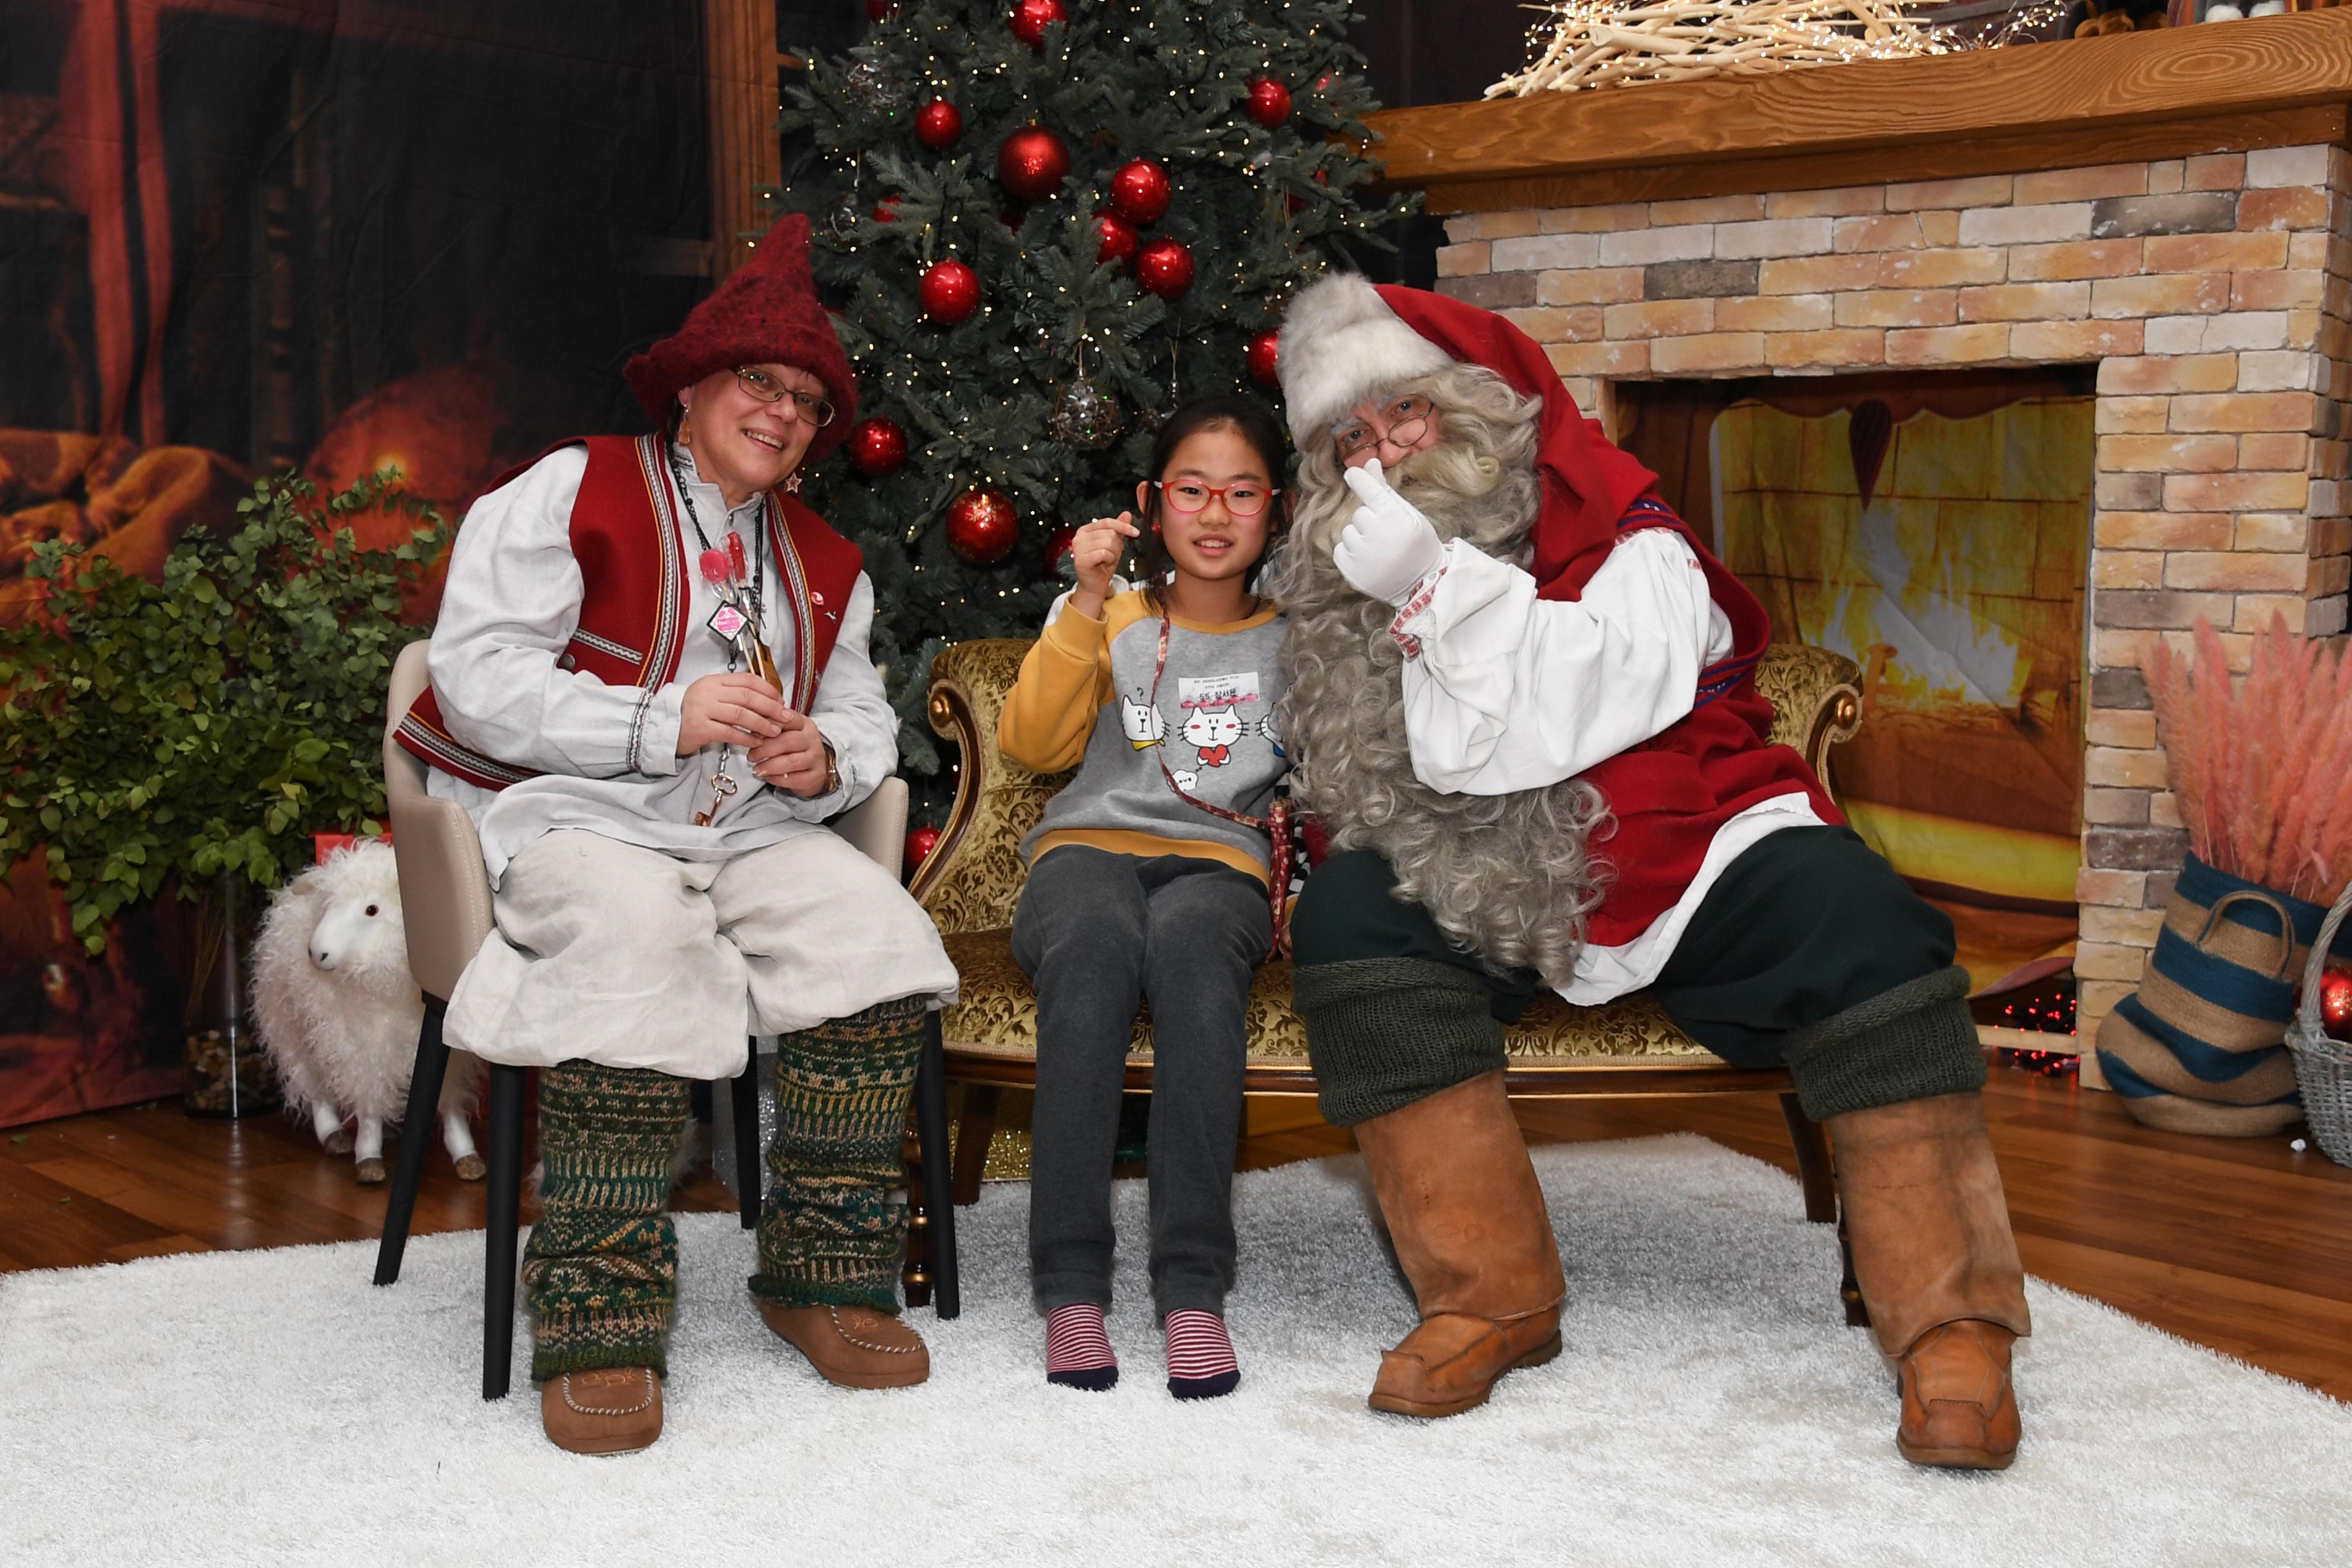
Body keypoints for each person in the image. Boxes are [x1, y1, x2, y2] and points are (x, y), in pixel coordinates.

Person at [1263, 274, 2030, 1471]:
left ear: (1483, 407)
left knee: (1863, 922)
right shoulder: (1358, 579)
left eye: (1403, 415)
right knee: (1357, 917)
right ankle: (1489, 1292)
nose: (1382, 458)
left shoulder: (1628, 531)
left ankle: (1953, 1323)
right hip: (1485, 869)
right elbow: (1412, 771)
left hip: (1689, 837)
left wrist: (1434, 585)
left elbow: (1586, 696)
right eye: (1349, 441)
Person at [396, 213, 959, 1456]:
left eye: (808, 401)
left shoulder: (826, 564)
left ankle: (820, 1272)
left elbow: (861, 710)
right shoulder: (570, 488)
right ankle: (597, 1308)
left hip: (752, 829)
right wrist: (660, 720)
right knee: (636, 937)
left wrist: (830, 755)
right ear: (694, 388)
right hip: (578, 817)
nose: (782, 410)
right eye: (760, 380)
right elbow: (477, 672)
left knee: (877, 935)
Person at [997, 397, 1293, 1398]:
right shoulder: (1113, 614)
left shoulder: (1299, 643)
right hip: (1085, 847)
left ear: (1275, 509)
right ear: (1150, 505)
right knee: (1090, 952)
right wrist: (1085, 608)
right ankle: (1072, 1285)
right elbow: (1031, 746)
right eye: (1192, 490)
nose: (1215, 513)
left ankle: (1192, 1291)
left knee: (1198, 966)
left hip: (1221, 863)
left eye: (1241, 492)